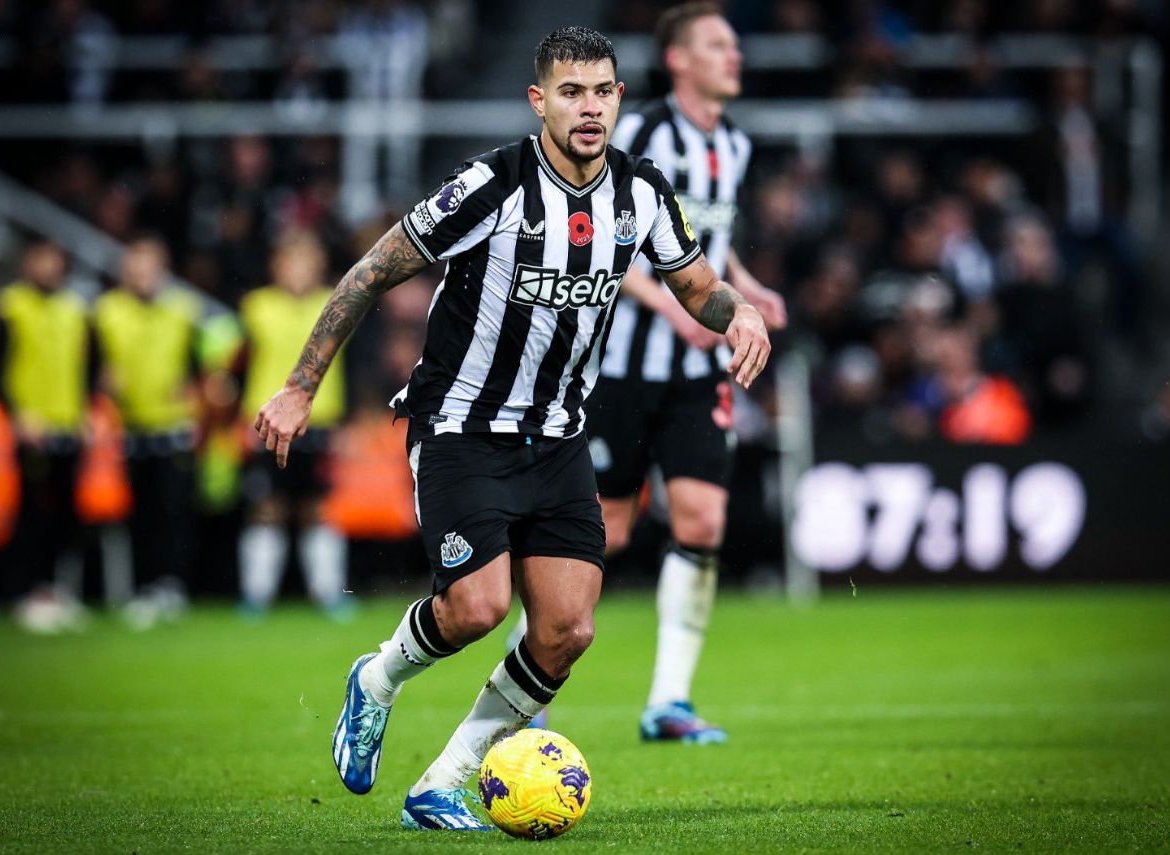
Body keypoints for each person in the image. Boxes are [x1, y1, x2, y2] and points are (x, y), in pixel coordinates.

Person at [253, 26, 770, 832]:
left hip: (559, 435)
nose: (589, 107)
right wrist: (298, 385)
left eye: (602, 91)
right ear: (540, 102)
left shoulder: (641, 192)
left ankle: (443, 782)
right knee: (475, 608)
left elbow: (697, 284)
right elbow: (368, 272)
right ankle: (378, 680)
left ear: (619, 100)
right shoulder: (489, 185)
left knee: (567, 629)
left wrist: (738, 316)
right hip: (460, 426)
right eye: (571, 92)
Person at [584, 2, 787, 743]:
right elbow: (612, 239)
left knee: (703, 518)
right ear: (678, 60)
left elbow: (707, 242)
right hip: (619, 368)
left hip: (699, 371)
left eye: (734, 45)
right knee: (599, 534)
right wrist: (669, 300)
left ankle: (669, 699)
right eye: (718, 45)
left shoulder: (733, 144)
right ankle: (527, 669)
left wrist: (745, 286)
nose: (734, 56)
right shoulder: (639, 135)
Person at [0, 241, 92, 632]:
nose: (47, 266)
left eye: (54, 259)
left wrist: (85, 412)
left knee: (66, 515)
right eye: (40, 258)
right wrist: (16, 414)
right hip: (28, 428)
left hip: (67, 425)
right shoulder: (9, 307)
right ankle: (23, 592)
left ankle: (54, 592)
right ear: (28, 262)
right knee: (29, 514)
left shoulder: (75, 310)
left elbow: (86, 367)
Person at [236, 232, 350, 618]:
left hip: (321, 420)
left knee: (317, 507)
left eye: (306, 262)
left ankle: (328, 592)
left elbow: (351, 364)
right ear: (276, 267)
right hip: (265, 421)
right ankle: (257, 595)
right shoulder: (256, 307)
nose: (298, 271)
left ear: (318, 267)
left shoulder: (335, 303)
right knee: (266, 505)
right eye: (290, 262)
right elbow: (238, 363)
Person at [94, 236, 201, 625]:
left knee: (172, 509)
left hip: (173, 423)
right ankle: (141, 588)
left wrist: (194, 382)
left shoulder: (182, 310)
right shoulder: (106, 311)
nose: (141, 275)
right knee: (137, 513)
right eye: (135, 266)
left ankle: (170, 586)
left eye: (149, 266)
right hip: (127, 425)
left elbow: (199, 361)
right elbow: (94, 363)